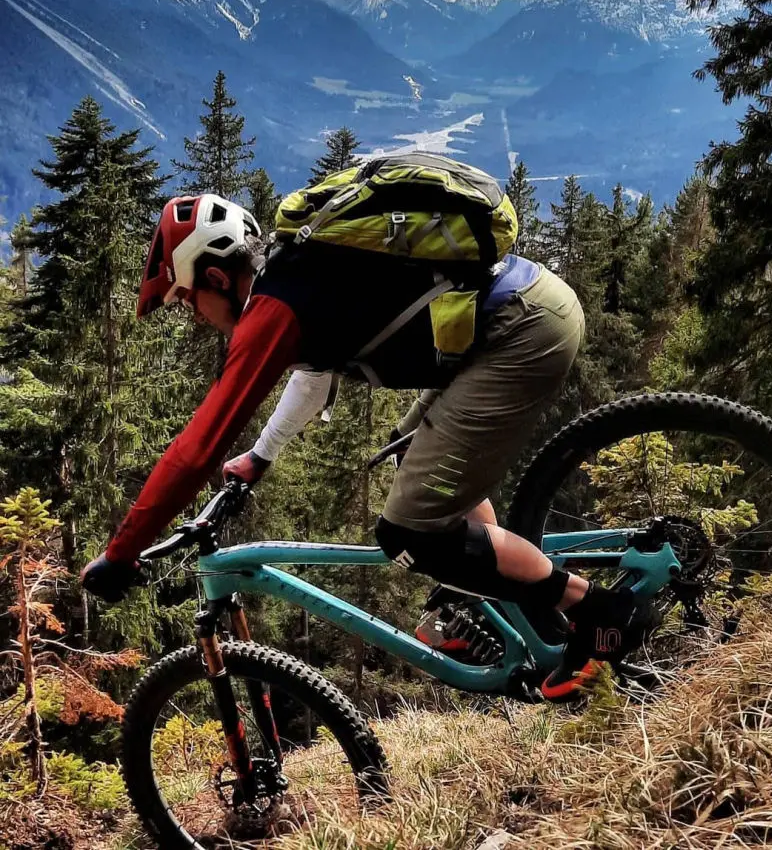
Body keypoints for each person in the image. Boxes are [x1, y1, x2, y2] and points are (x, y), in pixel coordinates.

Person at [81, 171, 650, 700]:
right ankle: (484, 600)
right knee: (414, 460)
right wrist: (259, 457)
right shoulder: (292, 275)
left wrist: (122, 552)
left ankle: (599, 613)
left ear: (213, 276)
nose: (195, 315)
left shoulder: (274, 308)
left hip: (519, 330)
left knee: (411, 535)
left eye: (187, 301)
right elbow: (312, 378)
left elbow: (198, 447)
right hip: (517, 314)